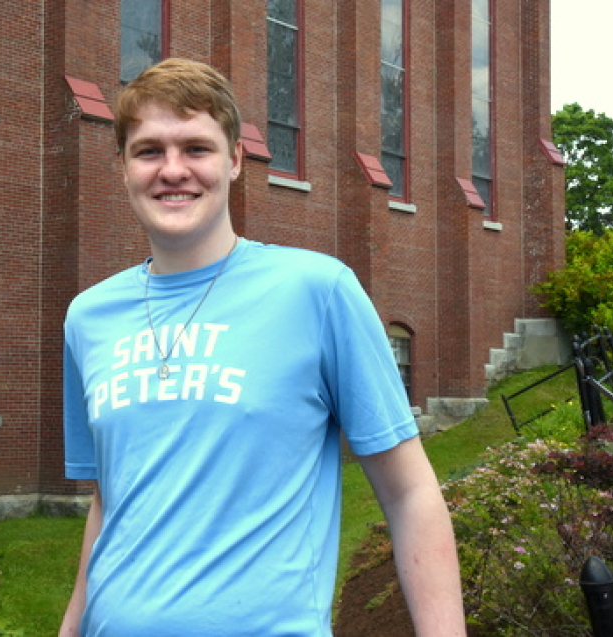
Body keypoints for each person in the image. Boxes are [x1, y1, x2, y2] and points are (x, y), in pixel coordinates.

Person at [60, 57, 465, 636]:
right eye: (148, 151)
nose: (172, 170)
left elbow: (410, 494)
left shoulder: (316, 291)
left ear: (234, 159)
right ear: (123, 167)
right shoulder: (88, 317)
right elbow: (111, 501)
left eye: (196, 148)